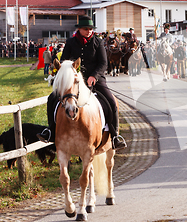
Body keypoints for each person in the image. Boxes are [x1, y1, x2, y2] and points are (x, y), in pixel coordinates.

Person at [37, 16, 127, 150]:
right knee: (52, 98)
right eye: (86, 29)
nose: (89, 31)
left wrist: (93, 76)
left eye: (91, 29)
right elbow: (65, 61)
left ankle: (114, 136)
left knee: (112, 102)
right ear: (79, 29)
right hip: (74, 81)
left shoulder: (98, 42)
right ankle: (51, 131)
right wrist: (62, 73)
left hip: (95, 80)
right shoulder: (71, 42)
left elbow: (103, 63)